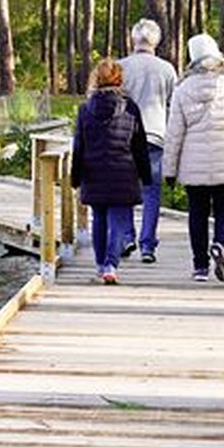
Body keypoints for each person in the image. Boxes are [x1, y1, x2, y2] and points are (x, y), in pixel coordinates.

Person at [162, 33, 224, 283]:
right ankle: (221, 244)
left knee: (197, 213)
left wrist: (169, 170)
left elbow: (174, 133)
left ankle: (200, 267)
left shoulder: (182, 89)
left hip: (194, 162)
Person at [71, 58, 153, 285]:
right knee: (117, 221)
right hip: (123, 172)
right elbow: (139, 146)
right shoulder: (130, 107)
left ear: (95, 80)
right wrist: (145, 176)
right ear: (119, 79)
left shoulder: (85, 110)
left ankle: (100, 264)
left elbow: (79, 146)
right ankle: (111, 265)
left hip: (94, 173)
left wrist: (75, 177)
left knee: (98, 219)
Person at [118, 18, 177, 264]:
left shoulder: (120, 67)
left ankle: (126, 236)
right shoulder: (167, 69)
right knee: (151, 193)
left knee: (123, 191)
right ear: (156, 41)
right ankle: (147, 246)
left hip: (124, 137)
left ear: (134, 39)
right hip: (155, 137)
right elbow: (174, 106)